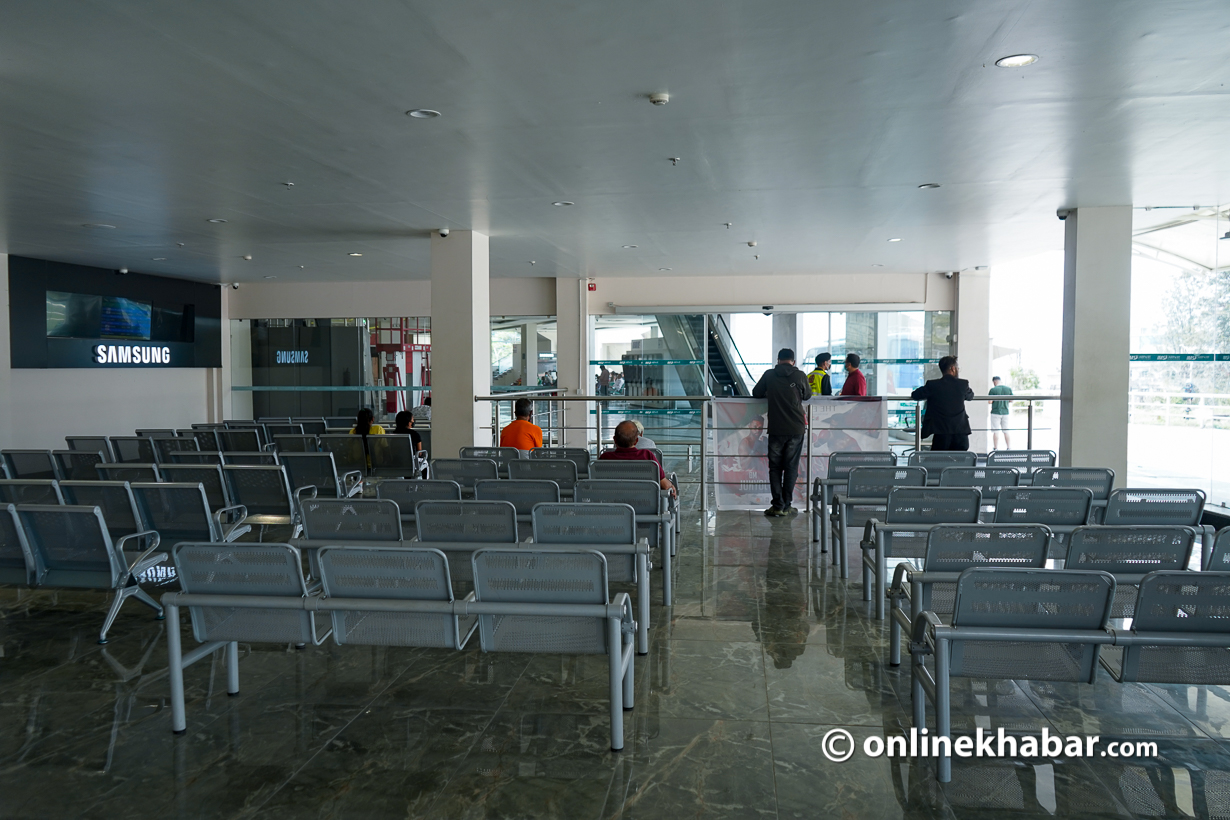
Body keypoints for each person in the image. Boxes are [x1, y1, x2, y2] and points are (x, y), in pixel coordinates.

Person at [751, 347, 812, 516]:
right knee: (791, 467)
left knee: (775, 468)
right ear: (793, 361)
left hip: (777, 429)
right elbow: (807, 395)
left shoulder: (769, 375)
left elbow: (756, 393)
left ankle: (777, 505)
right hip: (796, 428)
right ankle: (787, 505)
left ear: (778, 360)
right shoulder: (800, 375)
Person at [910, 356, 974, 451]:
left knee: (938, 459)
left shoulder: (933, 385)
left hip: (940, 431)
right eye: (957, 368)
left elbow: (915, 395)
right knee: (961, 460)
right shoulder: (962, 384)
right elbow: (970, 396)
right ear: (953, 368)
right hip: (960, 431)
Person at [598, 420, 675, 494]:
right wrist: (671, 485)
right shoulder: (647, 456)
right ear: (636, 441)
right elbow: (665, 485)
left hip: (613, 504)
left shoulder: (605, 458)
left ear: (614, 439)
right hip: (645, 503)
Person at [988, 376, 1013, 449]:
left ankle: (995, 448)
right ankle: (1009, 447)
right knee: (1006, 431)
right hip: (1005, 412)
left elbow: (990, 401)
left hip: (995, 412)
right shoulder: (1008, 389)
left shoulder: (993, 390)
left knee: (996, 431)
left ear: (994, 382)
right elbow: (1011, 400)